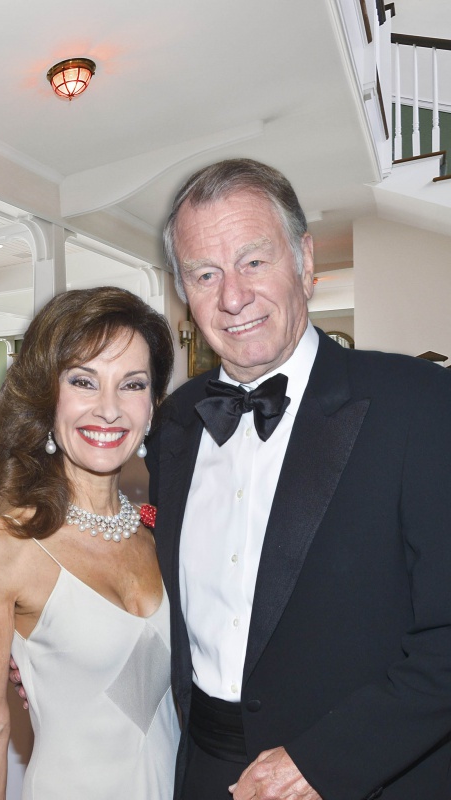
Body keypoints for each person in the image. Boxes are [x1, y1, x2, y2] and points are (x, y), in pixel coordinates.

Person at [152, 158, 451, 798]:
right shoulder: (175, 422)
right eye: (205, 274)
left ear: (306, 262)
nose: (232, 296)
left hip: (357, 776)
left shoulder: (419, 404)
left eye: (254, 261)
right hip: (200, 766)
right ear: (185, 292)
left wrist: (325, 762)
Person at [0, 286, 178, 799]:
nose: (108, 409)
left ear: (151, 406)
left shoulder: (165, 533)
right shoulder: (4, 547)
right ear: (47, 396)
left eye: (132, 384)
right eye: (84, 381)